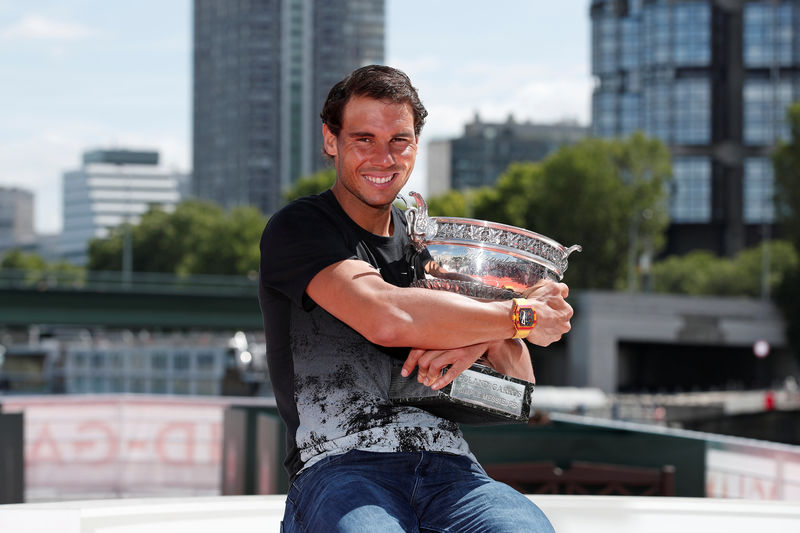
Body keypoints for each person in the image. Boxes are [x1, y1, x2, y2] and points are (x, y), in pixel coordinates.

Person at [258, 64, 572, 533]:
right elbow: (387, 315)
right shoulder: (301, 228)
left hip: (451, 467)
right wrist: (521, 312)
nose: (383, 158)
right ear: (331, 140)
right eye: (364, 139)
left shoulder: (436, 248)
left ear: (416, 145)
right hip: (341, 465)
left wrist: (474, 338)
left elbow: (515, 386)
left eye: (398, 140)